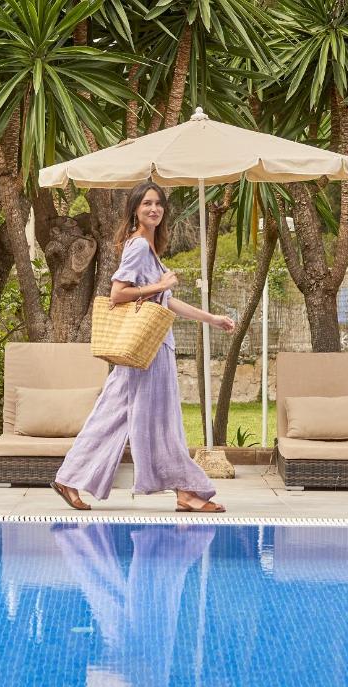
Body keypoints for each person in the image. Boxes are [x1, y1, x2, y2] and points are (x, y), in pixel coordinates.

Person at [51, 181, 235, 512]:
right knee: (163, 421)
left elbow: (168, 302)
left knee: (112, 415)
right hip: (145, 351)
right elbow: (117, 293)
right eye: (147, 203)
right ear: (135, 209)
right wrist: (158, 285)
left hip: (150, 348)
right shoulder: (137, 247)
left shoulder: (149, 249)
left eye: (158, 204)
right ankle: (187, 491)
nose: (154, 208)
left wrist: (212, 319)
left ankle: (69, 477)